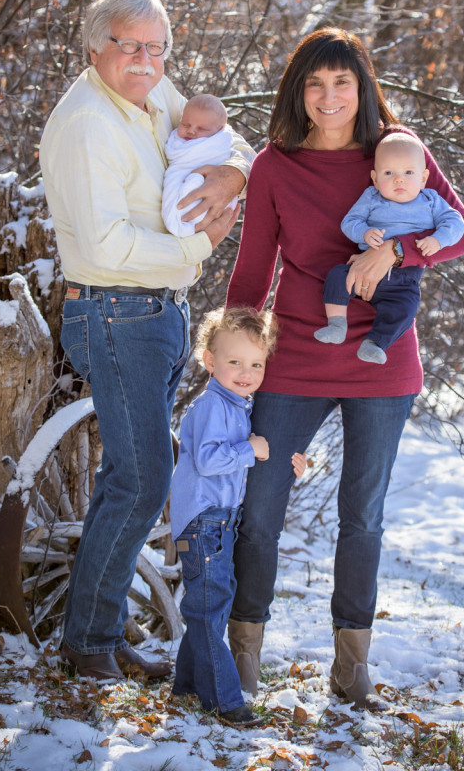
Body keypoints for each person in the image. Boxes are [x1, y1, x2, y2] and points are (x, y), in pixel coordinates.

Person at [225, 28, 464, 710]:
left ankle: (352, 664)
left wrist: (395, 255)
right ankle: (244, 651)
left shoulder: (398, 153)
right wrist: (232, 360)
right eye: (315, 83)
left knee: (361, 516)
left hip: (383, 361)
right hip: (296, 356)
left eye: (342, 82)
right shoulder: (275, 166)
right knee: (260, 509)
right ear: (298, 93)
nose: (329, 96)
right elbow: (253, 269)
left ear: (362, 88)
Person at [39, 0, 255, 682]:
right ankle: (87, 642)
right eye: (131, 45)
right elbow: (104, 246)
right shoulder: (85, 125)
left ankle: (98, 631)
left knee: (125, 478)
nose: (145, 60)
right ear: (95, 45)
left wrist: (234, 171)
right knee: (142, 481)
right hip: (114, 311)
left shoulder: (156, 93)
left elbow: (224, 133)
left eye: (157, 47)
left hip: (158, 312)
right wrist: (198, 251)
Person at [170, 307, 304, 726]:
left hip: (217, 522)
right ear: (209, 362)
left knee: (209, 605)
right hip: (204, 522)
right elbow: (209, 461)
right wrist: (251, 450)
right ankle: (224, 701)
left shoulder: (238, 404)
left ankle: (188, 685)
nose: (246, 372)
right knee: (210, 610)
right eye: (234, 362)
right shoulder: (212, 405)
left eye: (256, 364)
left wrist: (288, 462)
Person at [314, 132, 464, 364]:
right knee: (337, 276)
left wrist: (438, 240)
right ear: (375, 178)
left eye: (408, 172)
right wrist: (364, 232)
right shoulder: (372, 197)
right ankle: (336, 325)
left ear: (424, 178)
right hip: (362, 268)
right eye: (389, 173)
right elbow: (350, 222)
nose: (399, 179)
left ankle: (375, 343)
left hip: (404, 280)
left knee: (406, 307)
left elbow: (456, 223)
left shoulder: (431, 200)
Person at [162, 94, 238, 237]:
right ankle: (181, 217)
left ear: (219, 131)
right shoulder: (185, 112)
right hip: (183, 173)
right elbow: (176, 156)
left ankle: (186, 219)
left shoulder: (221, 143)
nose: (191, 131)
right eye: (185, 124)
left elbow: (244, 158)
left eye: (202, 129)